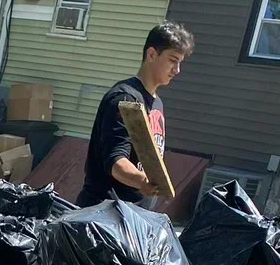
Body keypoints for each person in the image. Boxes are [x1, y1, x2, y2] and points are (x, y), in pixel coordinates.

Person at [76, 22, 195, 209]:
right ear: (151, 54)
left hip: (136, 215)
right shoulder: (125, 99)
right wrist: (142, 182)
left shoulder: (157, 103)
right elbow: (116, 162)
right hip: (105, 214)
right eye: (173, 60)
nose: (177, 69)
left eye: (180, 62)